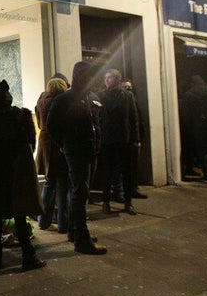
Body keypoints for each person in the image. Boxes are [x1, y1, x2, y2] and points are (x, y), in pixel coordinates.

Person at [0, 80, 46, 271]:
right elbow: (30, 142)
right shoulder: (19, 115)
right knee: (20, 214)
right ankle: (28, 256)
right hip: (16, 172)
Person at [47, 61, 107, 254]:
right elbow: (52, 126)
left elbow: (96, 123)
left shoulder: (91, 97)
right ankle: (82, 239)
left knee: (80, 193)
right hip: (77, 152)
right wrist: (65, 146)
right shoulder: (64, 99)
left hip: (90, 151)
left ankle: (75, 231)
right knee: (80, 194)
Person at [96, 69, 141, 215]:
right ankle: (106, 202)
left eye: (110, 78)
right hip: (107, 138)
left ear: (117, 79)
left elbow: (133, 117)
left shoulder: (127, 95)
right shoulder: (100, 95)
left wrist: (135, 138)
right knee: (107, 172)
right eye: (106, 78)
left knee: (126, 172)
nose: (107, 80)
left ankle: (128, 202)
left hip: (123, 138)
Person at [35, 74, 70, 231]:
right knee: (63, 185)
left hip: (44, 143)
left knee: (49, 183)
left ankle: (43, 220)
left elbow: (39, 122)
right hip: (59, 144)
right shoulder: (63, 102)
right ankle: (63, 224)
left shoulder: (41, 100)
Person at [121, 78, 147, 199]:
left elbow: (137, 119)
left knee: (133, 166)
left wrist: (138, 138)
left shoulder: (133, 100)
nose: (127, 90)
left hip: (132, 139)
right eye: (125, 87)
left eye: (129, 87)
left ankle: (133, 189)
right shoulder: (122, 101)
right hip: (123, 139)